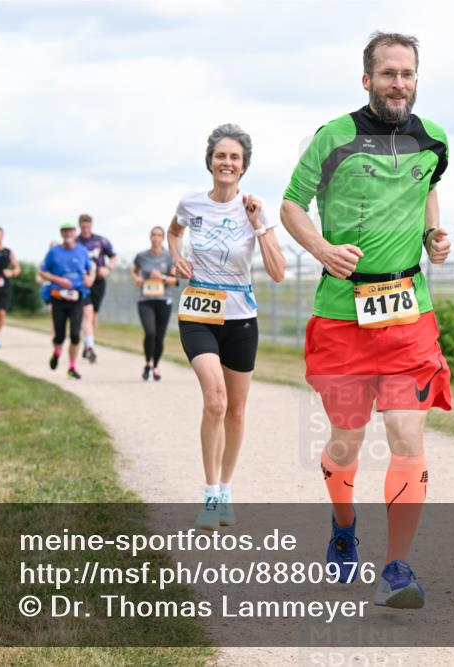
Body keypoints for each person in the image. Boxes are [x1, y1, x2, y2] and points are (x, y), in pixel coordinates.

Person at [281, 32, 452, 609]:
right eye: (387, 74)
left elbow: (428, 187)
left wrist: (433, 234)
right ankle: (343, 525)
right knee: (346, 444)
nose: (397, 83)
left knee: (407, 434)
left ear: (416, 80)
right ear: (367, 80)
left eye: (406, 74)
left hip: (409, 313)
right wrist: (321, 249)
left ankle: (398, 568)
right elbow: (290, 205)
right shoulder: (335, 137)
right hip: (342, 315)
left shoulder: (435, 140)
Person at [168, 123, 286, 531]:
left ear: (244, 166)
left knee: (235, 411)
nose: (227, 162)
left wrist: (258, 226)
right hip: (198, 313)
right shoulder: (191, 203)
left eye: (235, 157)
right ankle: (210, 492)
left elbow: (277, 272)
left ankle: (227, 489)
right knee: (215, 400)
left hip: (241, 317)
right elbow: (173, 232)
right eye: (221, 155)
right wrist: (177, 257)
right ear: (210, 160)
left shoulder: (255, 208)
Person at [39, 222, 95, 380]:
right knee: (59, 335)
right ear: (61, 234)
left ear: (74, 232)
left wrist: (90, 278)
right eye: (65, 231)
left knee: (76, 335)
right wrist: (58, 279)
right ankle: (56, 353)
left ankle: (72, 366)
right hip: (58, 297)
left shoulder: (82, 251)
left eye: (70, 231)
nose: (68, 234)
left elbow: (90, 270)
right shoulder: (54, 252)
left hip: (77, 297)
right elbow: (42, 271)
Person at [133, 226, 177, 381]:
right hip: (145, 300)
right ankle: (147, 363)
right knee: (150, 333)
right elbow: (134, 271)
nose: (156, 238)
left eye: (159, 235)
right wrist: (137, 279)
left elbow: (175, 280)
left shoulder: (169, 257)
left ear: (163, 238)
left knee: (159, 336)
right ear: (150, 237)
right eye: (154, 235)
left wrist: (162, 277)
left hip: (164, 300)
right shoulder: (141, 256)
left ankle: (156, 366)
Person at [76, 213, 117, 363]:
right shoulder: (76, 242)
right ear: (79, 226)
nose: (85, 229)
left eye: (88, 226)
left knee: (93, 316)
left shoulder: (100, 241)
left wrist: (107, 268)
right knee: (87, 313)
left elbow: (113, 256)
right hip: (82, 282)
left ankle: (87, 342)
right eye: (83, 226)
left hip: (98, 281)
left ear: (91, 226)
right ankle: (90, 347)